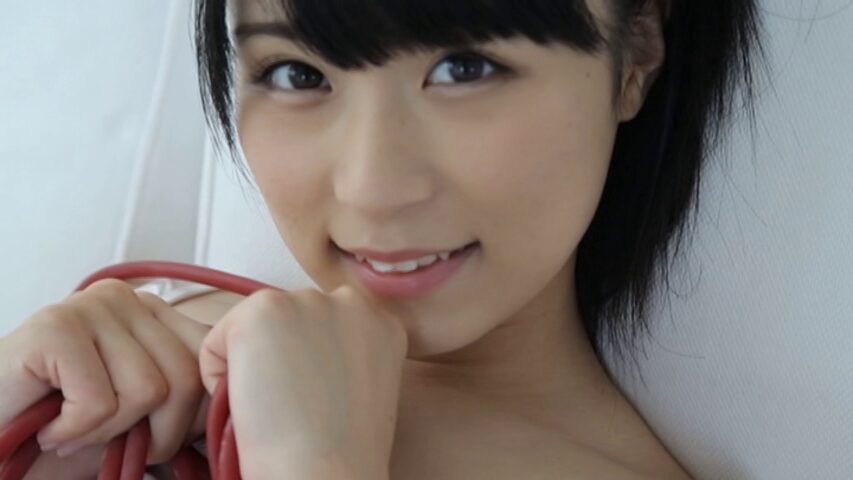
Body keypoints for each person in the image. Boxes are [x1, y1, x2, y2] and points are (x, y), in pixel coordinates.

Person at [0, 0, 763, 478]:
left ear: (636, 52)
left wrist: (313, 464)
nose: (370, 187)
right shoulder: (143, 360)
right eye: (297, 75)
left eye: (465, 68)